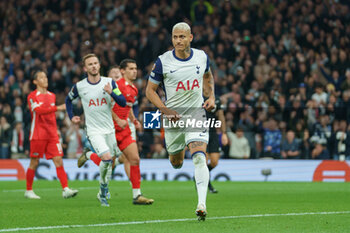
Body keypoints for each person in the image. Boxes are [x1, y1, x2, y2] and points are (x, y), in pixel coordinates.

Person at [146, 22, 215, 221]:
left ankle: (201, 204)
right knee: (176, 162)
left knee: (200, 157)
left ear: (190, 38)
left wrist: (211, 97)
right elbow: (149, 91)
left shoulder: (201, 56)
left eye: (182, 37)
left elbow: (208, 77)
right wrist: (165, 110)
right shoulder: (163, 61)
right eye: (175, 37)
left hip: (196, 114)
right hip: (173, 118)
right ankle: (178, 153)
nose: (178, 41)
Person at [78, 59, 154, 205]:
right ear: (122, 71)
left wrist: (133, 119)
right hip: (109, 129)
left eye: (135, 68)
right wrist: (118, 119)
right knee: (107, 163)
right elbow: (105, 106)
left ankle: (137, 195)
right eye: (131, 68)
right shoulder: (115, 86)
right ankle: (88, 154)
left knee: (134, 159)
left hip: (124, 130)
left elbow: (128, 106)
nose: (134, 71)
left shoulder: (134, 89)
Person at [65, 54, 126, 207]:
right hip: (93, 130)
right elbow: (68, 100)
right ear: (85, 68)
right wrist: (72, 116)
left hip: (109, 129)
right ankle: (103, 190)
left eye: (95, 63)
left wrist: (111, 92)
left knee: (110, 162)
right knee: (106, 158)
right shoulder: (80, 86)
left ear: (99, 66)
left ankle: (88, 155)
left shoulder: (109, 82)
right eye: (90, 64)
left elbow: (123, 102)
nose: (93, 66)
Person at [25, 71, 78, 199]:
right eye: (42, 77)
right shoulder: (32, 96)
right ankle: (29, 190)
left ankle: (65, 189)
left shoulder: (52, 96)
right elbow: (39, 111)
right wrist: (58, 108)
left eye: (46, 76)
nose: (45, 79)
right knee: (34, 162)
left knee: (58, 160)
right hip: (38, 133)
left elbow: (50, 115)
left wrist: (57, 130)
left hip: (52, 134)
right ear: (35, 82)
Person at [204, 96, 228, 193]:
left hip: (213, 133)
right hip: (200, 132)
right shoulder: (197, 95)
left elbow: (221, 116)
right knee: (203, 163)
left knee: (214, 162)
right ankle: (208, 185)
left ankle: (199, 176)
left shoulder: (215, 98)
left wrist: (224, 133)